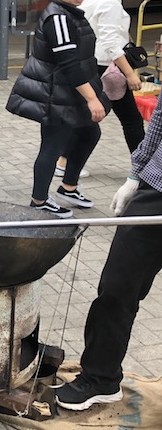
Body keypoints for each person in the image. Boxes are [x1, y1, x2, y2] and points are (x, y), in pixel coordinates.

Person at [55, 92, 162, 411]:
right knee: (116, 287)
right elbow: (158, 124)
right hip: (155, 190)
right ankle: (101, 379)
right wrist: (135, 176)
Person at [6, 0, 109, 218]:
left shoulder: (69, 12)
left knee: (89, 133)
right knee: (52, 147)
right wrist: (92, 99)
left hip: (68, 93)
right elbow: (69, 63)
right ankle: (39, 200)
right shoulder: (58, 17)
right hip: (56, 94)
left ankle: (68, 187)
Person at [80, 0, 145, 152]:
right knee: (132, 120)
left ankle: (64, 162)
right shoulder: (109, 1)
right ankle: (143, 168)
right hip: (108, 68)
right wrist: (129, 74)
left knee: (88, 117)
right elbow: (110, 43)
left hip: (92, 64)